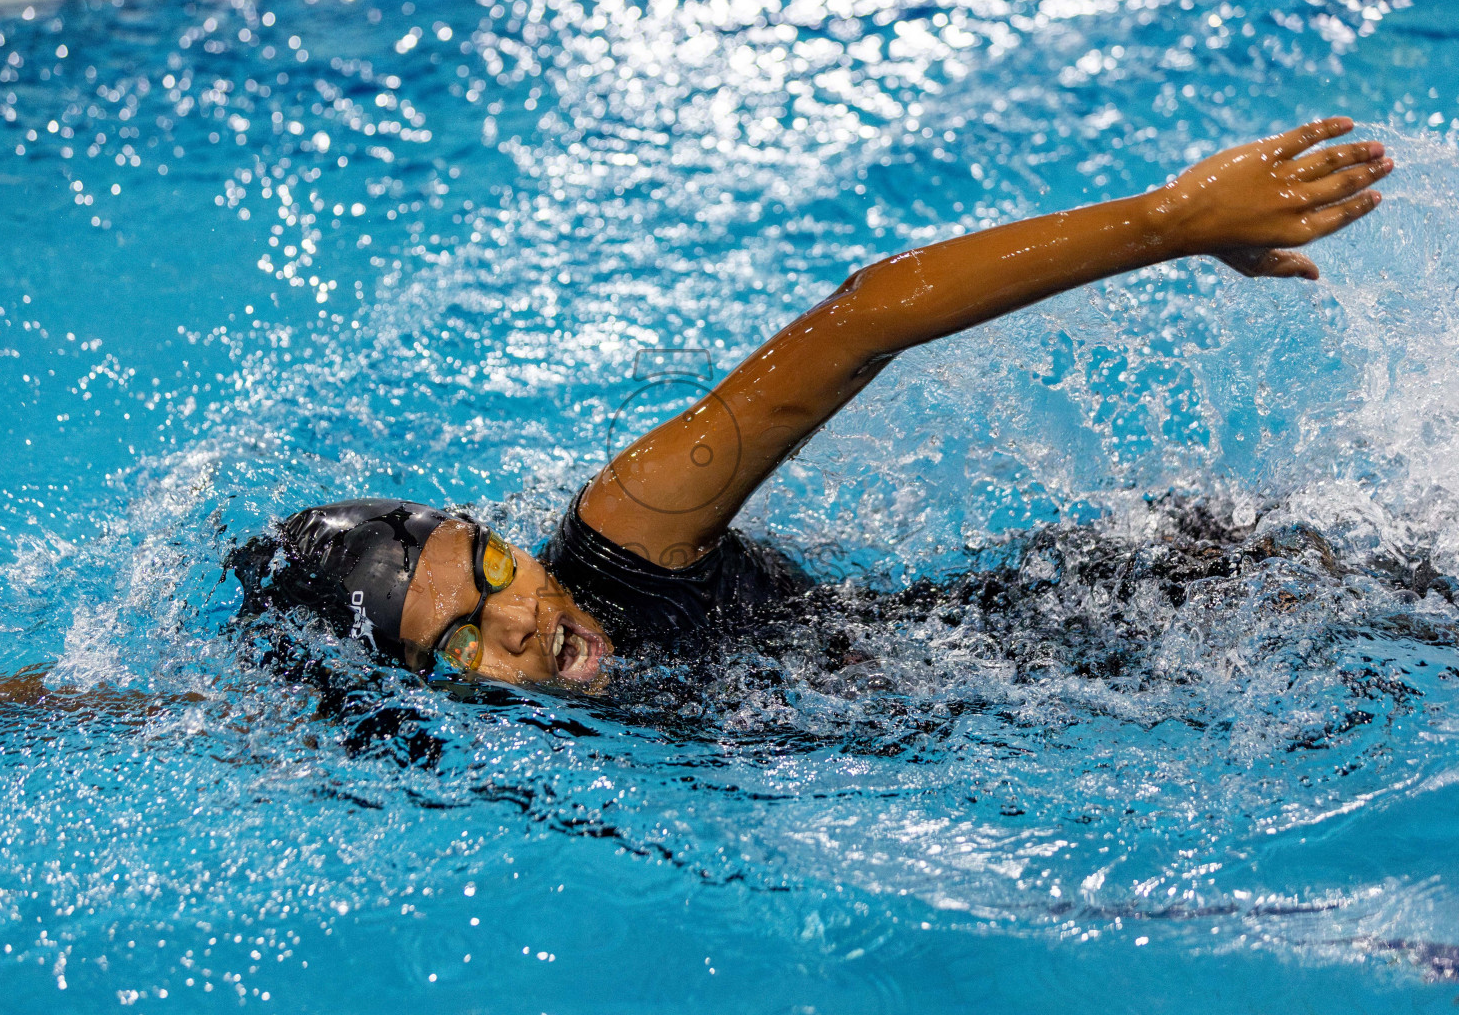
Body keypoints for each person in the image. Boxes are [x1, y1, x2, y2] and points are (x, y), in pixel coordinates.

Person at [231, 117, 1392, 694]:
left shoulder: (629, 534)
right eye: (461, 645)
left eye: (490, 575)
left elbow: (863, 318)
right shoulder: (506, 733)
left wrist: (1174, 222)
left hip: (1179, 616)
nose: (522, 622)